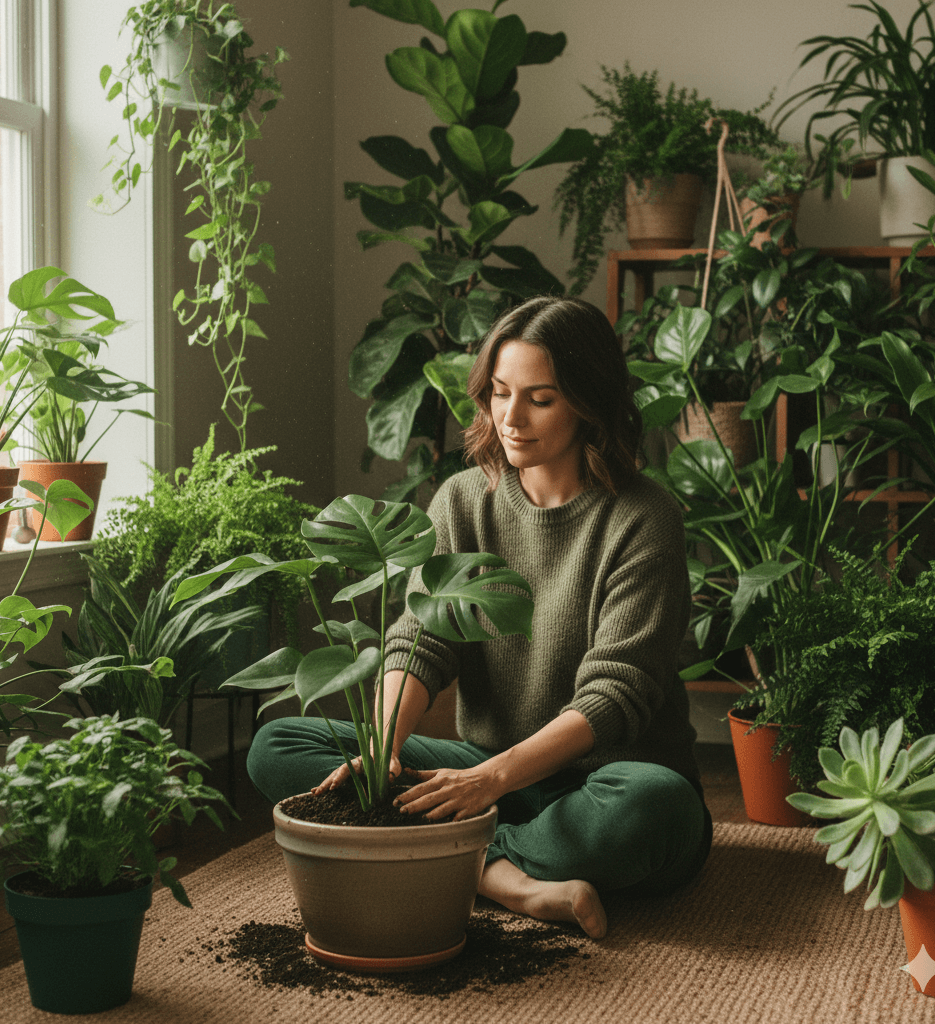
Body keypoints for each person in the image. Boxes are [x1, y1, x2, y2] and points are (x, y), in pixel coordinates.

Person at [247, 296, 711, 940]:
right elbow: (420, 643)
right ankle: (503, 876)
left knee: (653, 814)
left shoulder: (644, 518)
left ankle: (447, 858)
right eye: (498, 393)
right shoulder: (464, 500)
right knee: (279, 746)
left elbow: (616, 694)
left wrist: (487, 780)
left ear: (588, 402)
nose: (511, 418)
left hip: (604, 779)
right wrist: (382, 752)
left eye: (540, 399)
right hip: (484, 771)